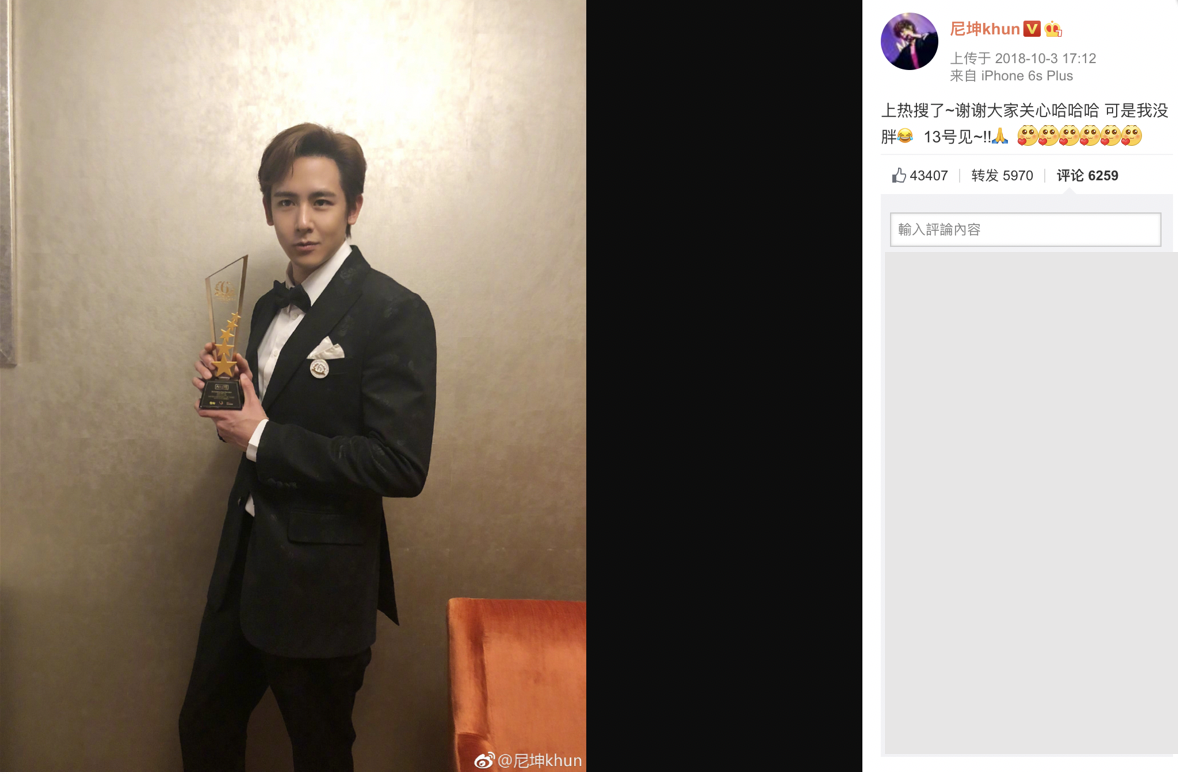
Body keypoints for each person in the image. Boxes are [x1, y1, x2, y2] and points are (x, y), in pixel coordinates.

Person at [178, 123, 437, 771]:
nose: (302, 221)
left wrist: (261, 435)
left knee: (319, 755)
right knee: (204, 730)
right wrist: (238, 398)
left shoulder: (394, 310)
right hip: (245, 563)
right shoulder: (268, 309)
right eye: (286, 201)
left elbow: (400, 464)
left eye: (321, 201)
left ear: (353, 207)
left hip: (322, 583)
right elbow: (272, 417)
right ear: (268, 208)